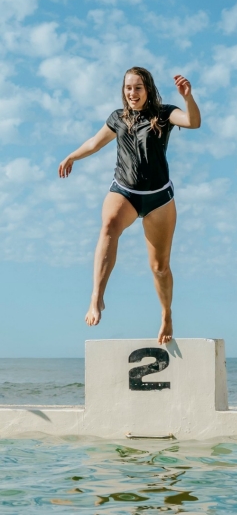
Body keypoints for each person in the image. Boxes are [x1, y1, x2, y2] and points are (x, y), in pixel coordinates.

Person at [58, 68, 201, 343]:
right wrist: (72, 157)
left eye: (137, 88)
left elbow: (193, 122)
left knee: (159, 267)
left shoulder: (164, 113)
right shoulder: (118, 118)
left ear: (147, 89)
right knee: (109, 225)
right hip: (124, 191)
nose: (132, 93)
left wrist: (188, 97)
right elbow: (94, 143)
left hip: (159, 198)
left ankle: (166, 314)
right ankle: (96, 297)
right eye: (128, 88)